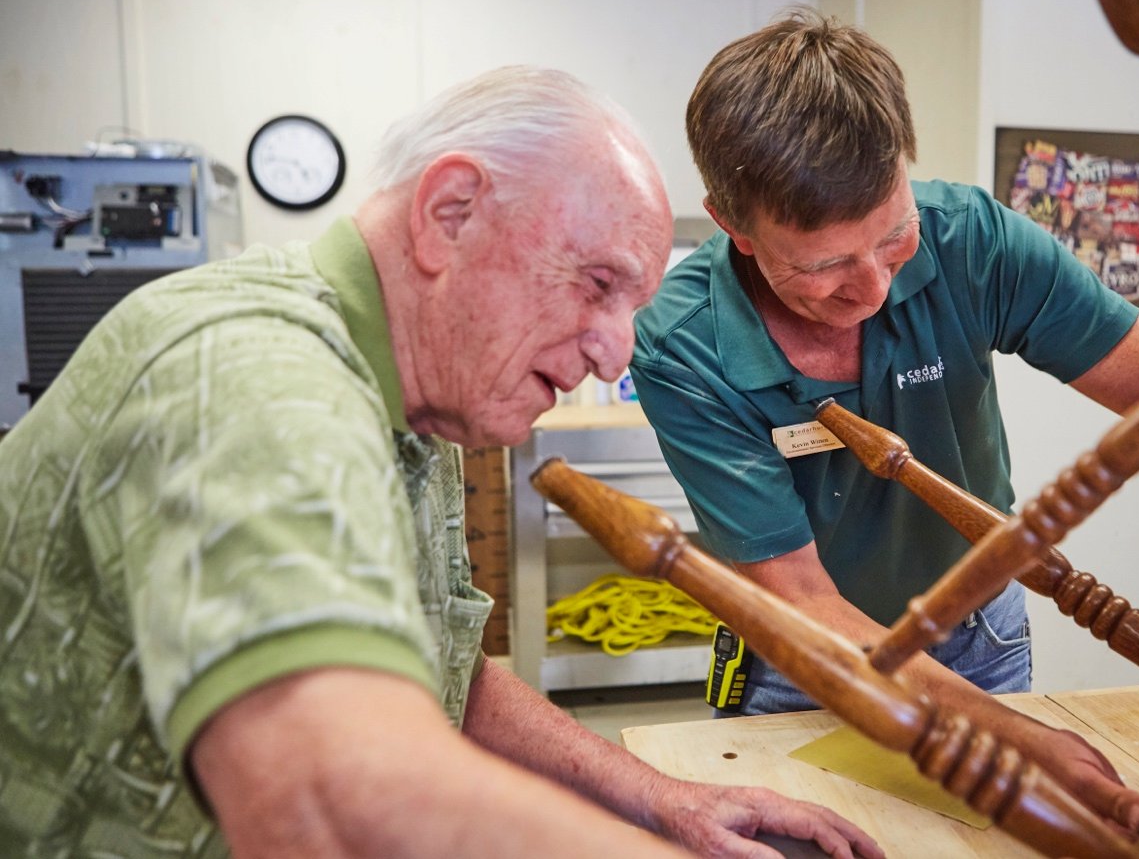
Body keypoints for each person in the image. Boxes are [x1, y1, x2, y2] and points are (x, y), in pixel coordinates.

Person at [0, 66, 882, 859]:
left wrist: (664, 802)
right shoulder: (252, 374)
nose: (618, 355)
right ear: (448, 212)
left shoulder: (417, 406)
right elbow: (330, 795)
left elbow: (447, 672)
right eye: (597, 284)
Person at [628, 7, 1139, 837]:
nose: (874, 291)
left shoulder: (972, 244)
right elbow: (803, 600)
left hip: (979, 640)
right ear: (731, 224)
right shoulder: (684, 342)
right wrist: (1005, 736)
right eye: (823, 268)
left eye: (893, 240)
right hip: (802, 667)